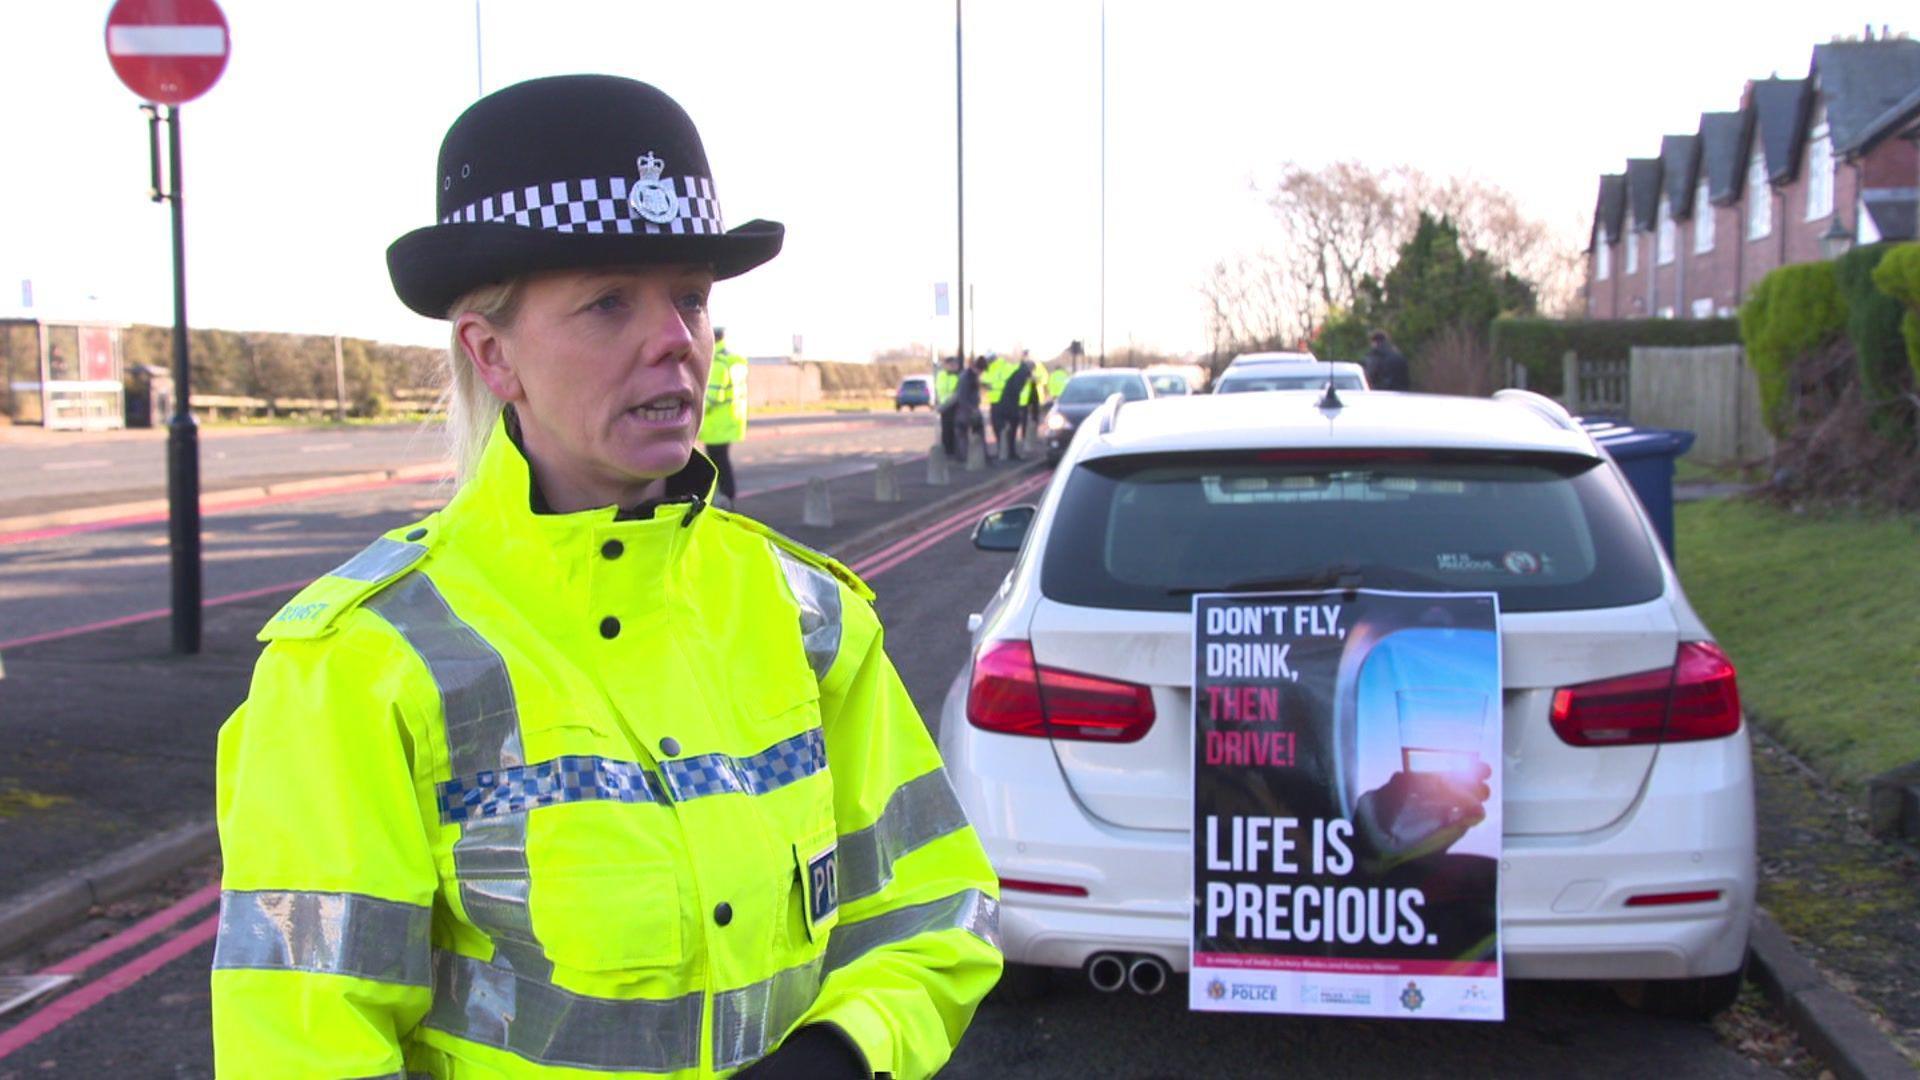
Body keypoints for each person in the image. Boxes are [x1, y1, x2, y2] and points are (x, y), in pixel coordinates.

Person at [210, 75, 1001, 1080]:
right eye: (607, 303)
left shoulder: (809, 617)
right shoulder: (356, 666)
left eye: (690, 298)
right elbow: (303, 1047)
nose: (675, 339)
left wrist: (847, 1053)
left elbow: (937, 911)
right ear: (492, 354)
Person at [700, 326, 748, 507]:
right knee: (723, 463)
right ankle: (728, 498)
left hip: (716, 425)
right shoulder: (733, 361)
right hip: (731, 421)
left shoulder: (717, 364)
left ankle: (725, 501)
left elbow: (711, 398)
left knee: (716, 466)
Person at [990, 357, 1030, 462]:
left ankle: (1005, 452)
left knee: (1004, 430)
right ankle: (1008, 453)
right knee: (1010, 429)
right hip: (1009, 406)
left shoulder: (1015, 373)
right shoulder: (1020, 375)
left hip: (1002, 404)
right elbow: (1015, 392)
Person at [934, 354, 963, 460]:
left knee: (955, 430)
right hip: (944, 407)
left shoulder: (959, 376)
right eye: (949, 364)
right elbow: (938, 390)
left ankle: (956, 452)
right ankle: (947, 452)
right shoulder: (941, 375)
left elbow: (958, 393)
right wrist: (937, 403)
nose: (952, 366)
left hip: (955, 406)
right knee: (946, 430)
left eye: (953, 364)